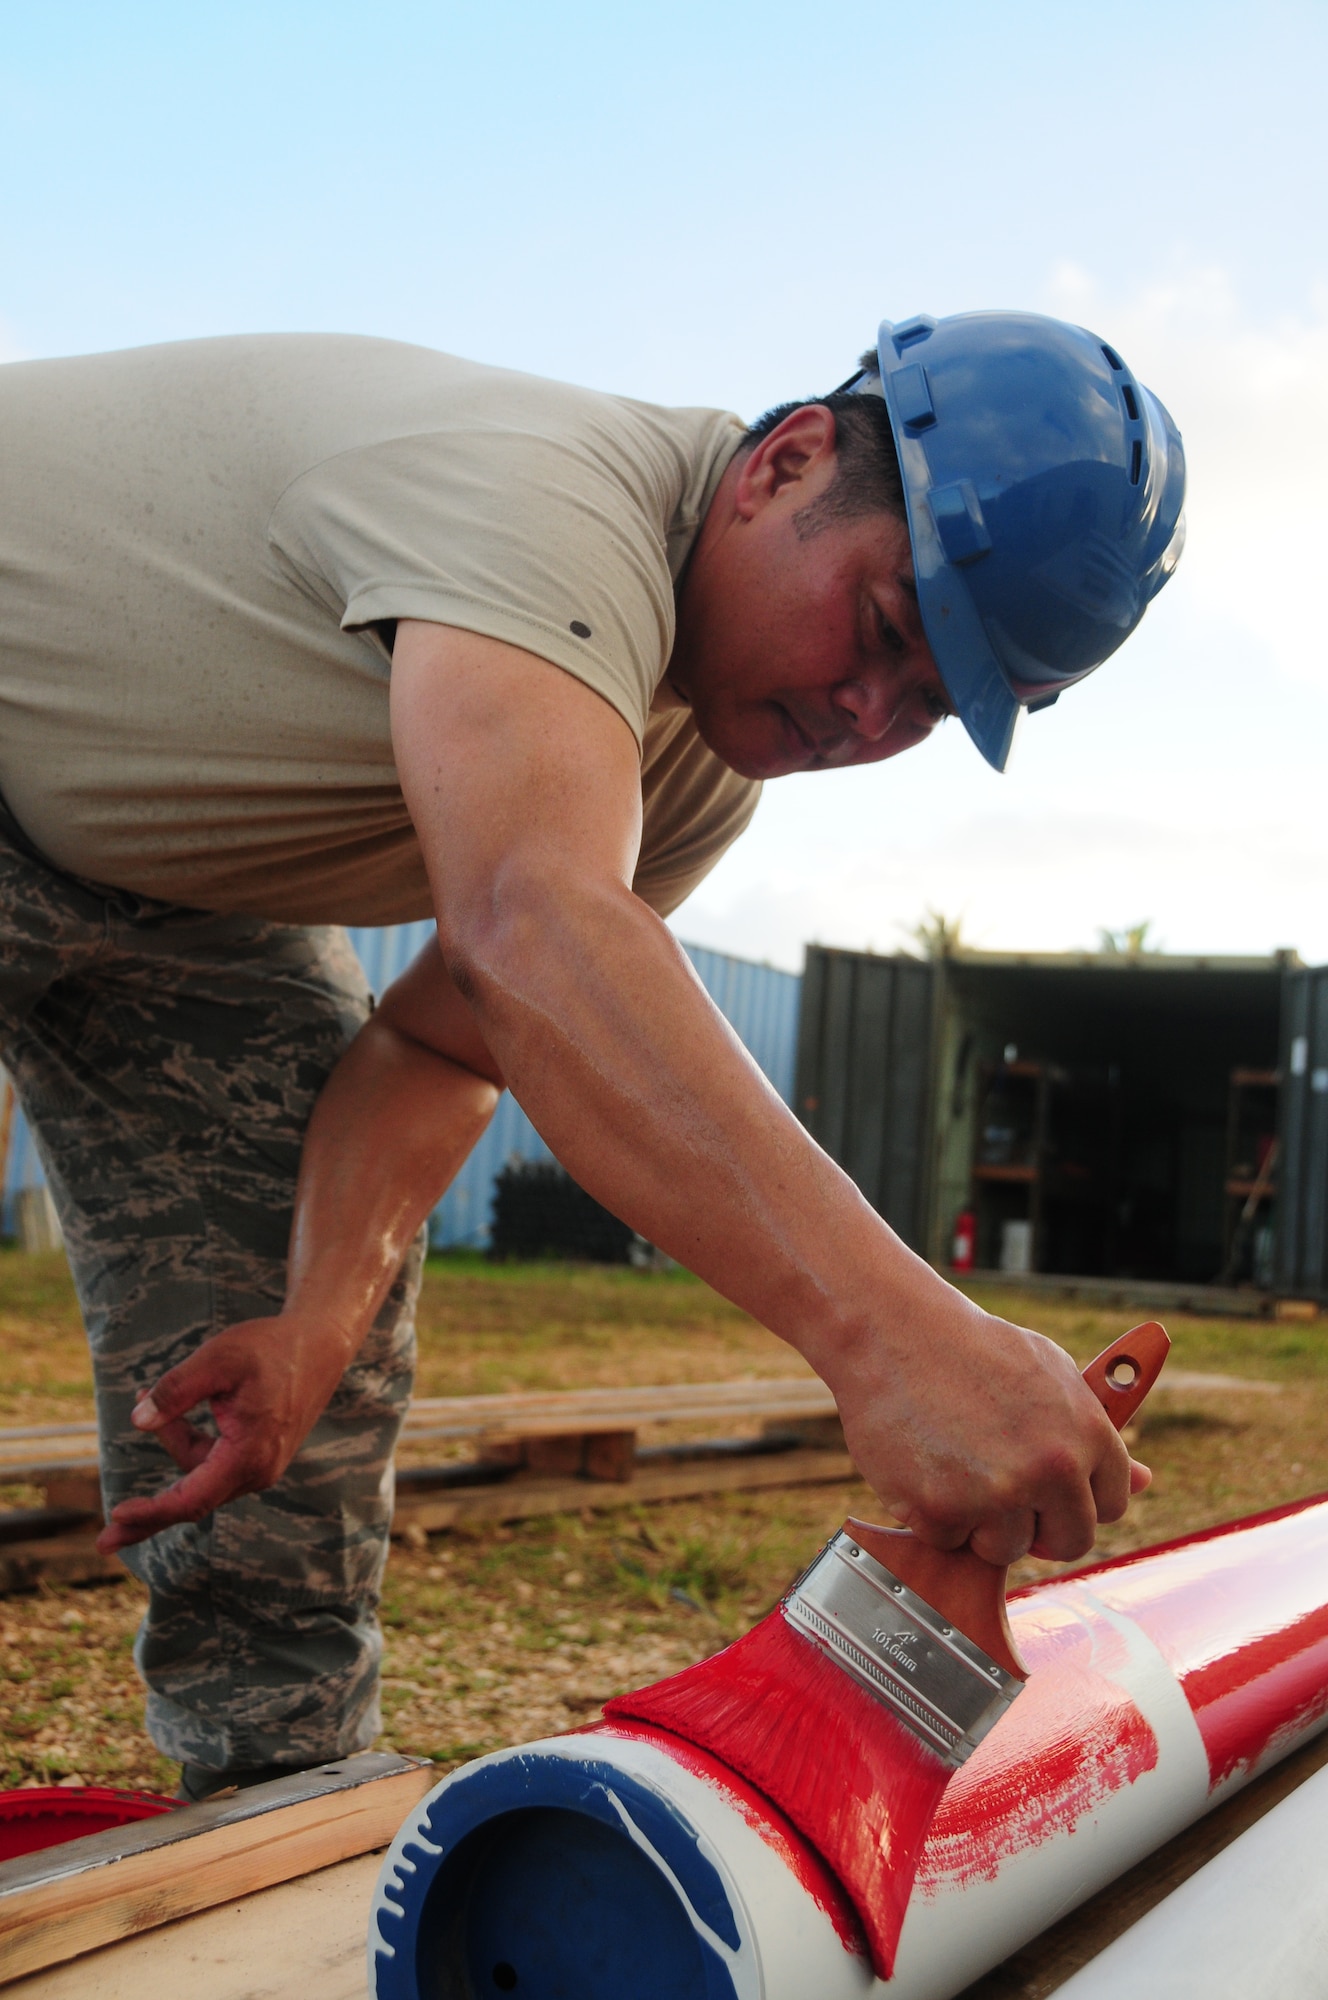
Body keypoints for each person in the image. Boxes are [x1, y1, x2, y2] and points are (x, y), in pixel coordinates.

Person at [0, 310, 1184, 1797]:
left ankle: (268, 1822)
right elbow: (532, 931)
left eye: (934, 709)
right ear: (787, 461)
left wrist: (311, 1315)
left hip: (182, 898)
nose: (870, 714)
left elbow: (453, 1039)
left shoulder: (688, 779)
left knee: (296, 1335)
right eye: (885, 629)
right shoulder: (552, 497)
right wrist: (900, 1342)